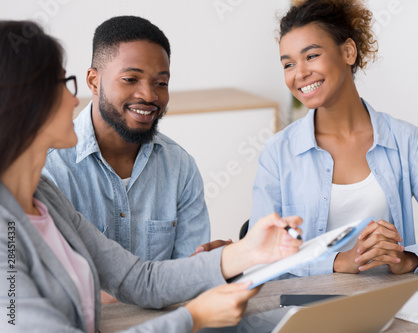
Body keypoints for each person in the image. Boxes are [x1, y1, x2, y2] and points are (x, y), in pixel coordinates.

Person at [0, 20, 303, 332]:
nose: (72, 99)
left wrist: (248, 250)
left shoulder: (45, 197)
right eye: (62, 85)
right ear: (20, 102)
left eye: (161, 82)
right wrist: (194, 317)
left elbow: (137, 278)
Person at [249, 0, 418, 277]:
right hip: (306, 310)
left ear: (348, 52)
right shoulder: (278, 153)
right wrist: (338, 262)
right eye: (288, 64)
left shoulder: (405, 141)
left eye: (311, 56)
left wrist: (410, 257)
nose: (300, 73)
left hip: (388, 307)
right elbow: (259, 255)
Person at [42, 15, 221, 263]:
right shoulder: (48, 168)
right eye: (130, 79)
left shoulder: (180, 166)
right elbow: (57, 287)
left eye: (161, 82)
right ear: (94, 81)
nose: (149, 95)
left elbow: (190, 278)